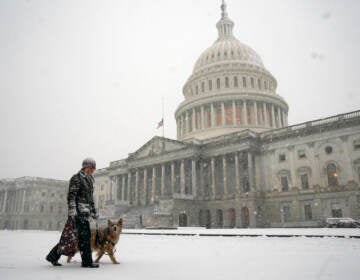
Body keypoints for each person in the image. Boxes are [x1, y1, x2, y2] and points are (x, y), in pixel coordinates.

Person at [46, 158, 99, 268]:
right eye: (90, 168)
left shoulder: (89, 180)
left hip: (85, 212)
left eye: (93, 169)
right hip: (78, 213)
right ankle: (87, 262)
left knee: (73, 237)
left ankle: (53, 256)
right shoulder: (77, 178)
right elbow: (71, 197)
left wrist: (93, 211)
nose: (92, 170)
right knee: (81, 237)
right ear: (84, 167)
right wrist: (72, 212)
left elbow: (90, 198)